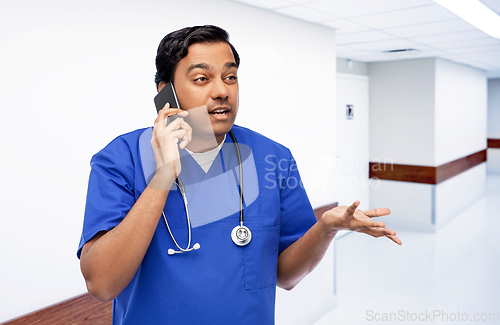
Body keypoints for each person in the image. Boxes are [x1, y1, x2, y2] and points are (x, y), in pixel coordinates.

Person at [77, 25, 401, 325]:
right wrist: (163, 176)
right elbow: (102, 283)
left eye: (230, 77)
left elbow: (286, 276)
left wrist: (326, 229)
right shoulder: (121, 159)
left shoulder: (273, 158)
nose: (222, 91)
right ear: (166, 93)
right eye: (202, 79)